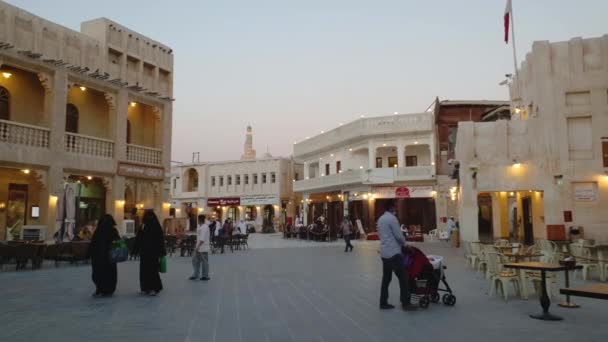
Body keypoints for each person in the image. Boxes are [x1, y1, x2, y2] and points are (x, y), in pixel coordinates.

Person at [378, 200, 417, 311]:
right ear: (391, 207)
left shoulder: (381, 219)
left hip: (385, 253)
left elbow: (382, 235)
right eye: (395, 207)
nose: (397, 209)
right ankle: (406, 303)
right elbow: (399, 236)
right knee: (403, 277)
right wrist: (406, 245)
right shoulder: (392, 219)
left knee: (386, 279)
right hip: (394, 253)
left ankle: (383, 302)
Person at [135, 209, 166, 296]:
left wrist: (136, 250)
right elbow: (160, 240)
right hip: (154, 253)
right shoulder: (156, 225)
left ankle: (147, 287)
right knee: (153, 270)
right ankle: (154, 287)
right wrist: (162, 252)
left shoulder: (143, 225)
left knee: (145, 270)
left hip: (145, 252)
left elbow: (139, 239)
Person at [89, 214, 120, 297]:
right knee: (110, 274)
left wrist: (89, 254)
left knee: (98, 273)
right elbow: (118, 242)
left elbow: (93, 244)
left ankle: (100, 289)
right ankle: (108, 289)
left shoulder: (98, 231)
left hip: (98, 257)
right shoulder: (112, 230)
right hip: (109, 257)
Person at [189, 214, 210, 281]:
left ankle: (205, 276)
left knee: (204, 262)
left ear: (200, 220)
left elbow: (202, 239)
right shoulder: (200, 226)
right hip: (199, 246)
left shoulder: (204, 227)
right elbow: (198, 236)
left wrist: (197, 247)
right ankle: (196, 274)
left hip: (202, 247)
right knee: (195, 261)